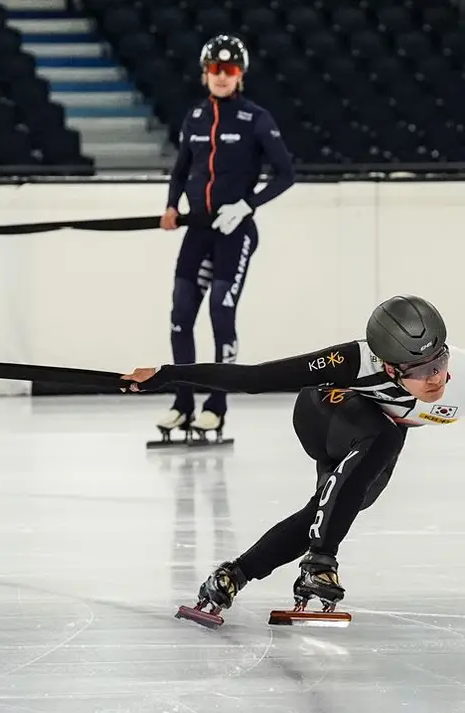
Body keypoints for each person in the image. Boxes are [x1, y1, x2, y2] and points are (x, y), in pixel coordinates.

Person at [122, 295, 453, 620]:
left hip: (372, 433)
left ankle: (233, 575)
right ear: (388, 365)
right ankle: (320, 561)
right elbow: (254, 379)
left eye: (439, 362)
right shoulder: (350, 361)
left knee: (336, 507)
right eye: (420, 370)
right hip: (323, 413)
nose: (435, 377)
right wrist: (165, 374)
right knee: (384, 438)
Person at [157, 33, 295, 439]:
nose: (221, 76)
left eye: (229, 69)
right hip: (198, 230)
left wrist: (247, 205)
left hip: (235, 232)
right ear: (204, 74)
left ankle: (216, 404)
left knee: (221, 310)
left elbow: (286, 173)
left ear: (241, 76)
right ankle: (182, 403)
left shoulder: (256, 119)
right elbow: (181, 170)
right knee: (181, 314)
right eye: (215, 69)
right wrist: (171, 205)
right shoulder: (195, 118)